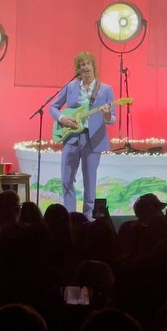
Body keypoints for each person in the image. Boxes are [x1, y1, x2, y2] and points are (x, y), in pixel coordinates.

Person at [50, 51, 115, 219]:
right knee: (66, 179)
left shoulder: (106, 90)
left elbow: (112, 119)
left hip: (92, 139)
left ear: (93, 66)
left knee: (89, 181)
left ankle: (88, 218)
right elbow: (53, 107)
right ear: (77, 70)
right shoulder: (70, 87)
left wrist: (106, 114)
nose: (85, 67)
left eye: (87, 64)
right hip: (71, 137)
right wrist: (62, 118)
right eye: (81, 65)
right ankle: (70, 216)